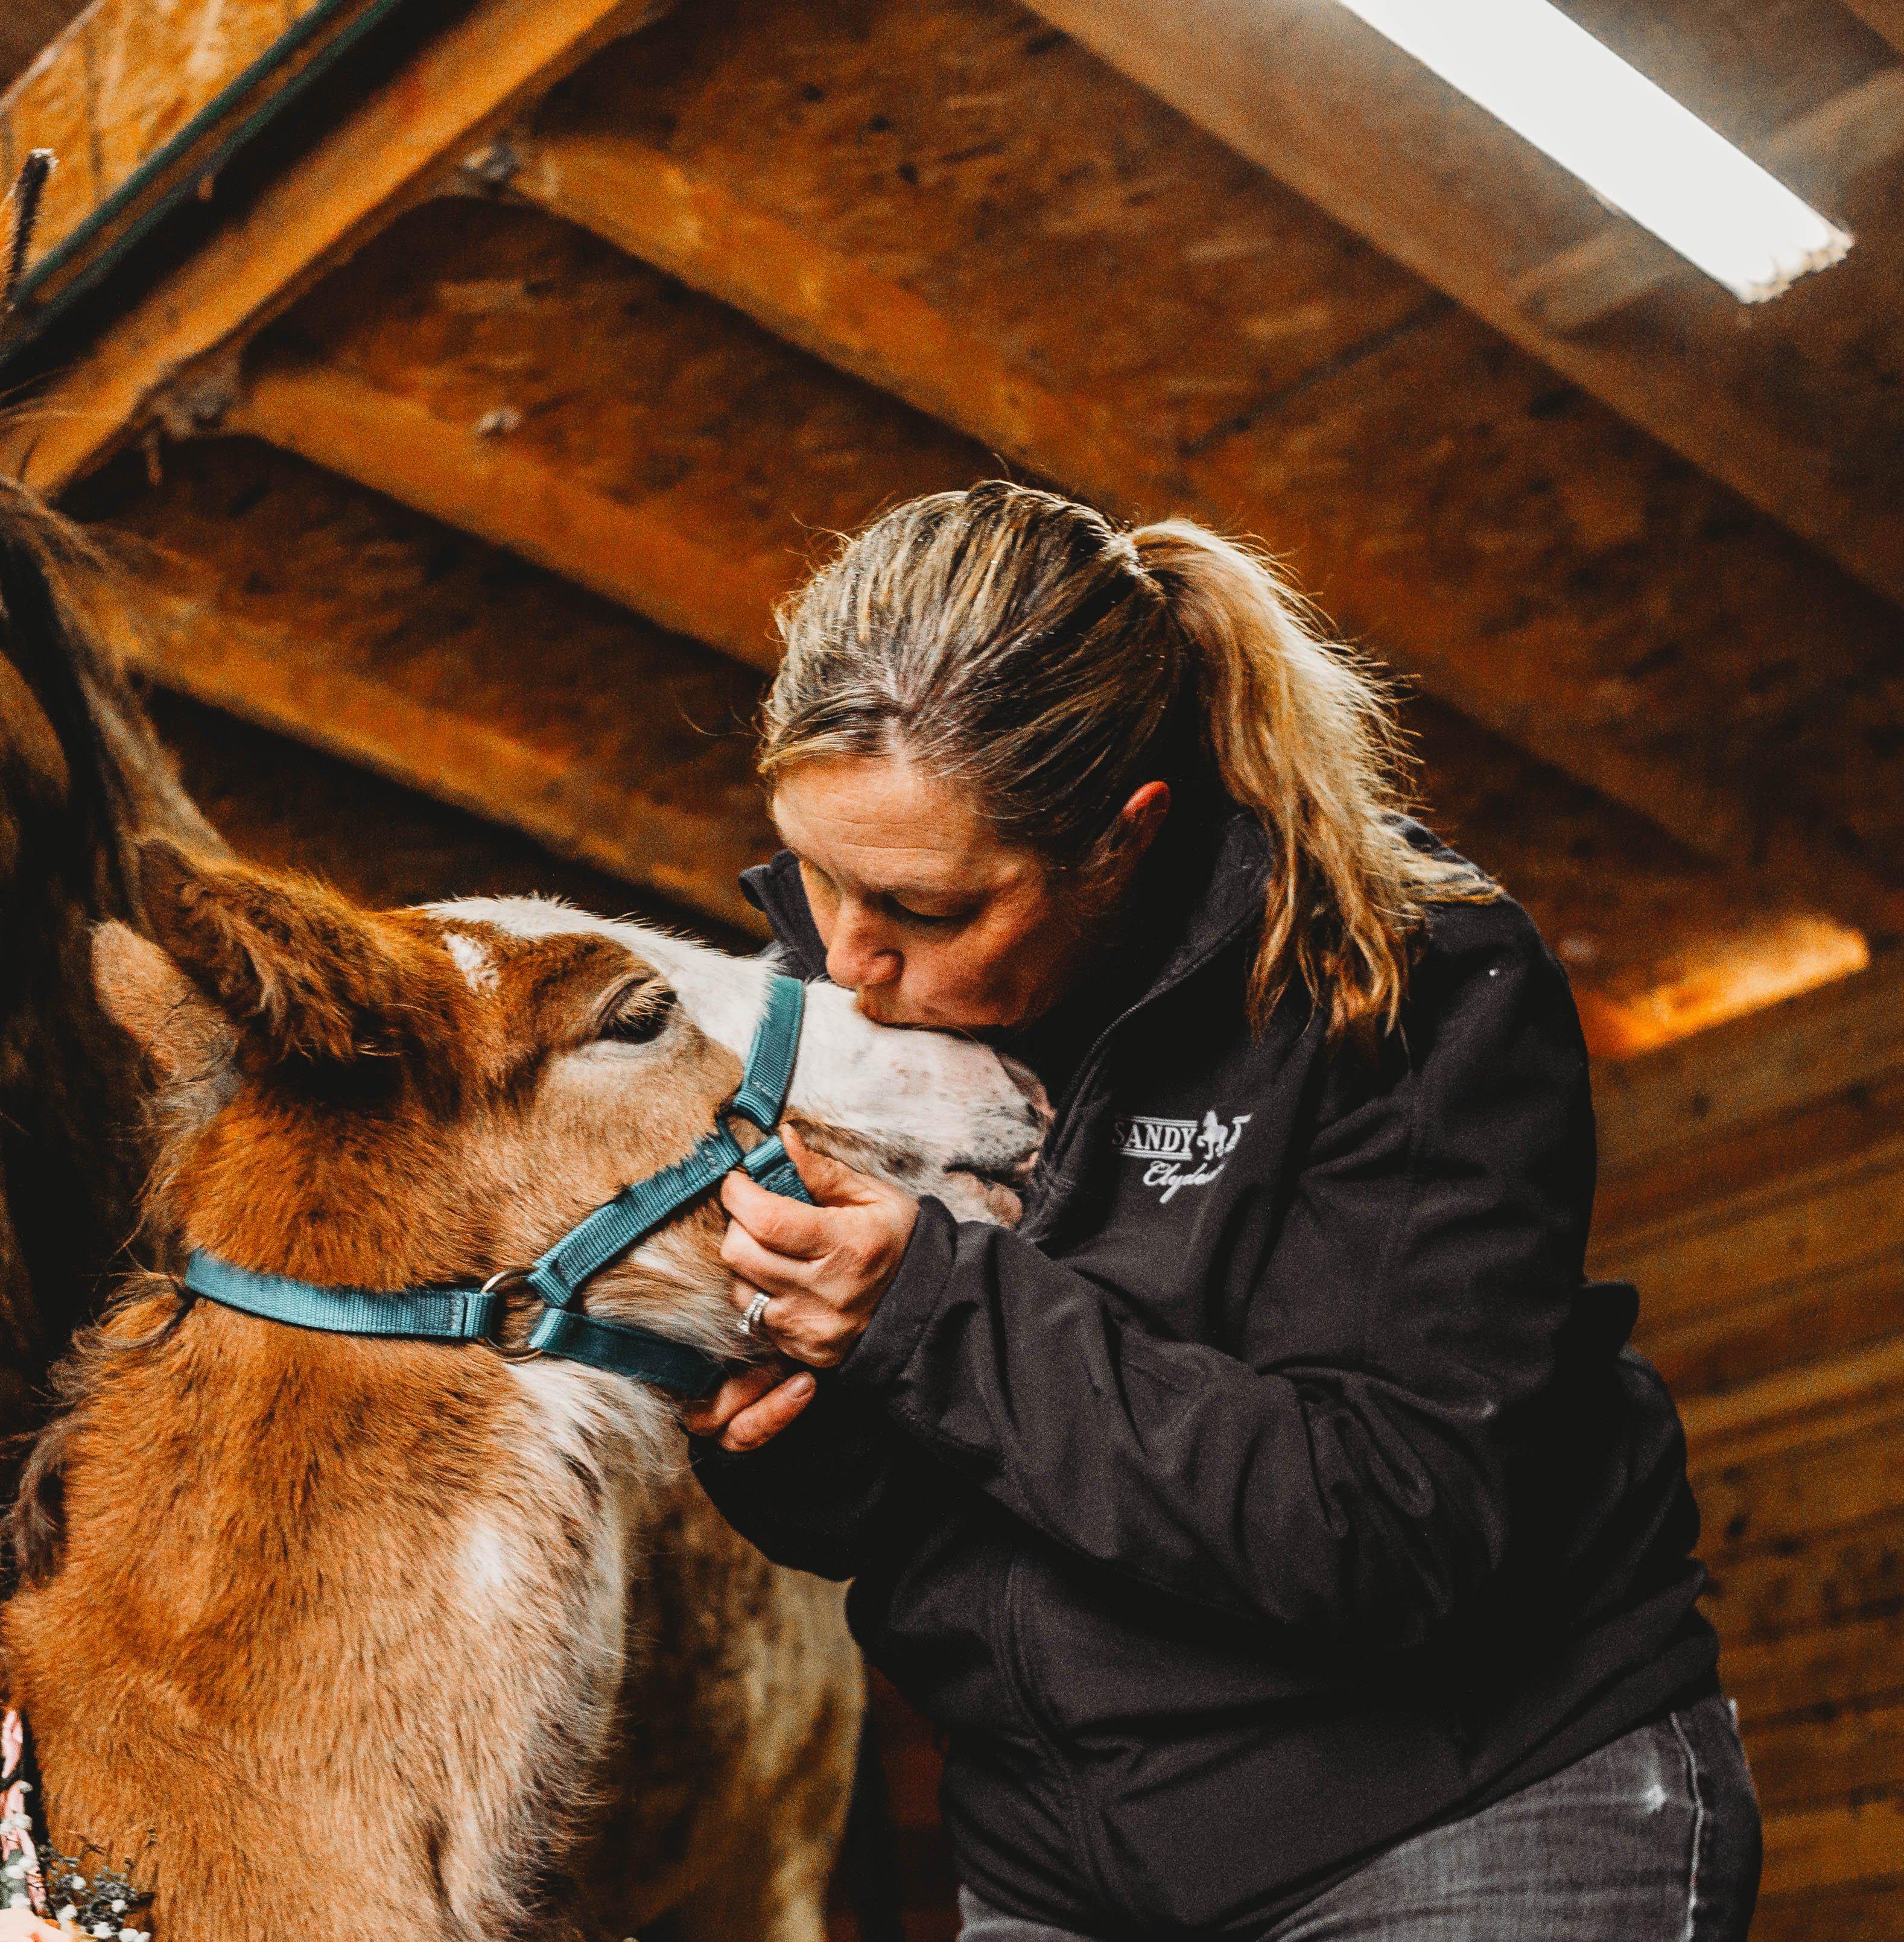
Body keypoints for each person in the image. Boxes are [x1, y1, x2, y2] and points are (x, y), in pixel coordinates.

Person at [687, 482, 1758, 1940]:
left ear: (1123, 835)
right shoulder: (857, 1017)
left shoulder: (1405, 980)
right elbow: (886, 1516)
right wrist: (780, 1397)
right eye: (815, 876)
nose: (848, 960)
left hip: (1461, 1812)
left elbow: (1383, 1529)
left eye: (929, 908)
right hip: (1060, 1873)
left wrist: (922, 1314)